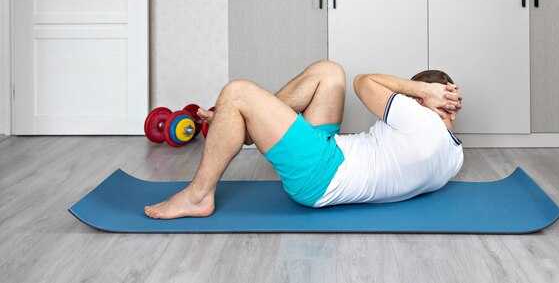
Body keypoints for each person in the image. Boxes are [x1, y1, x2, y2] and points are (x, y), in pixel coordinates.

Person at [144, 60, 463, 219]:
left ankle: (198, 195)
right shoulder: (454, 158)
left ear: (424, 101)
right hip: (331, 156)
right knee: (329, 72)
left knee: (237, 92)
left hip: (322, 173)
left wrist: (419, 89)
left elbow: (363, 82)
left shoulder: (420, 118)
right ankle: (241, 124)